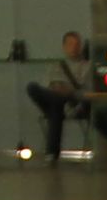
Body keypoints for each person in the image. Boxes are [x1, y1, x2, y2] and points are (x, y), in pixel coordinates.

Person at [25, 31, 92, 162]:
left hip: (74, 102)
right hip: (55, 98)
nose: (73, 48)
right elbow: (48, 85)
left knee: (55, 110)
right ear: (64, 46)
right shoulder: (55, 66)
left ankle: (51, 154)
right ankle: (51, 154)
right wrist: (57, 89)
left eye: (76, 44)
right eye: (70, 44)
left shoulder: (87, 66)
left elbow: (85, 90)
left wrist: (66, 90)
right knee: (33, 87)